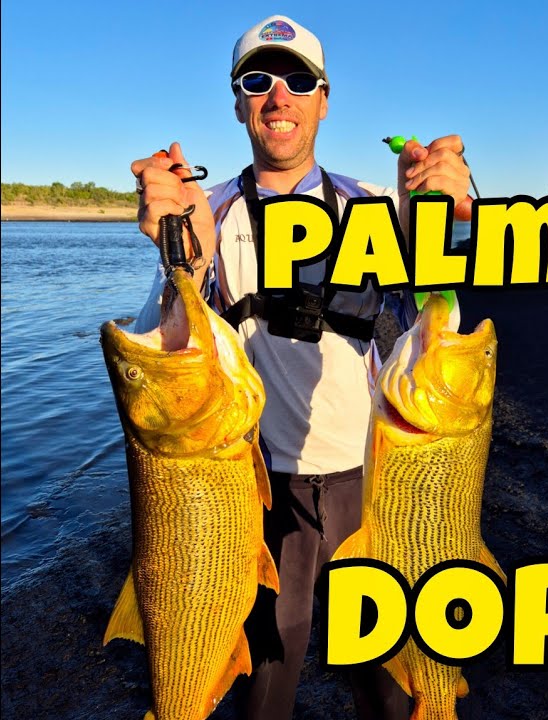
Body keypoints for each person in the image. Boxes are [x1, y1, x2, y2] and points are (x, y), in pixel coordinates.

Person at [130, 14, 473, 720]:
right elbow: (157, 362)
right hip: (258, 491)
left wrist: (449, 223)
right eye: (257, 80)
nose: (277, 96)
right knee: (266, 685)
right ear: (238, 104)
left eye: (298, 80)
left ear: (323, 100)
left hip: (371, 480)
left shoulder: (373, 206)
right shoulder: (207, 212)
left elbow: (438, 320)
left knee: (390, 682)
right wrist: (177, 258)